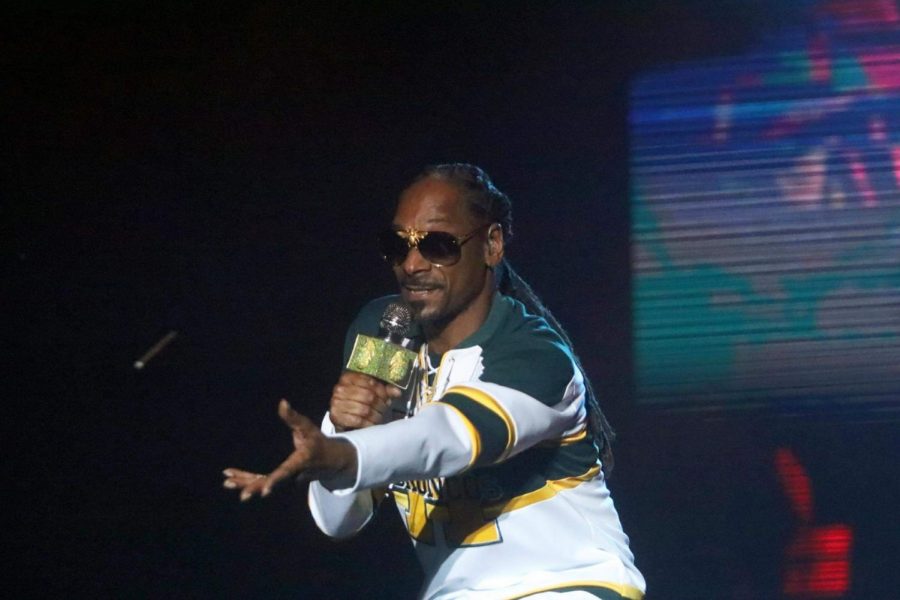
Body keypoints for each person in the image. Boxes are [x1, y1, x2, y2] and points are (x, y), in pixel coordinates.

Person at [223, 164, 646, 599]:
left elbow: (449, 437)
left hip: (568, 584)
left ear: (492, 244)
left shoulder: (535, 356)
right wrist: (344, 430)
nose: (411, 264)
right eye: (398, 245)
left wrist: (342, 452)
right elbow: (338, 521)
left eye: (437, 245)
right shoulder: (384, 332)